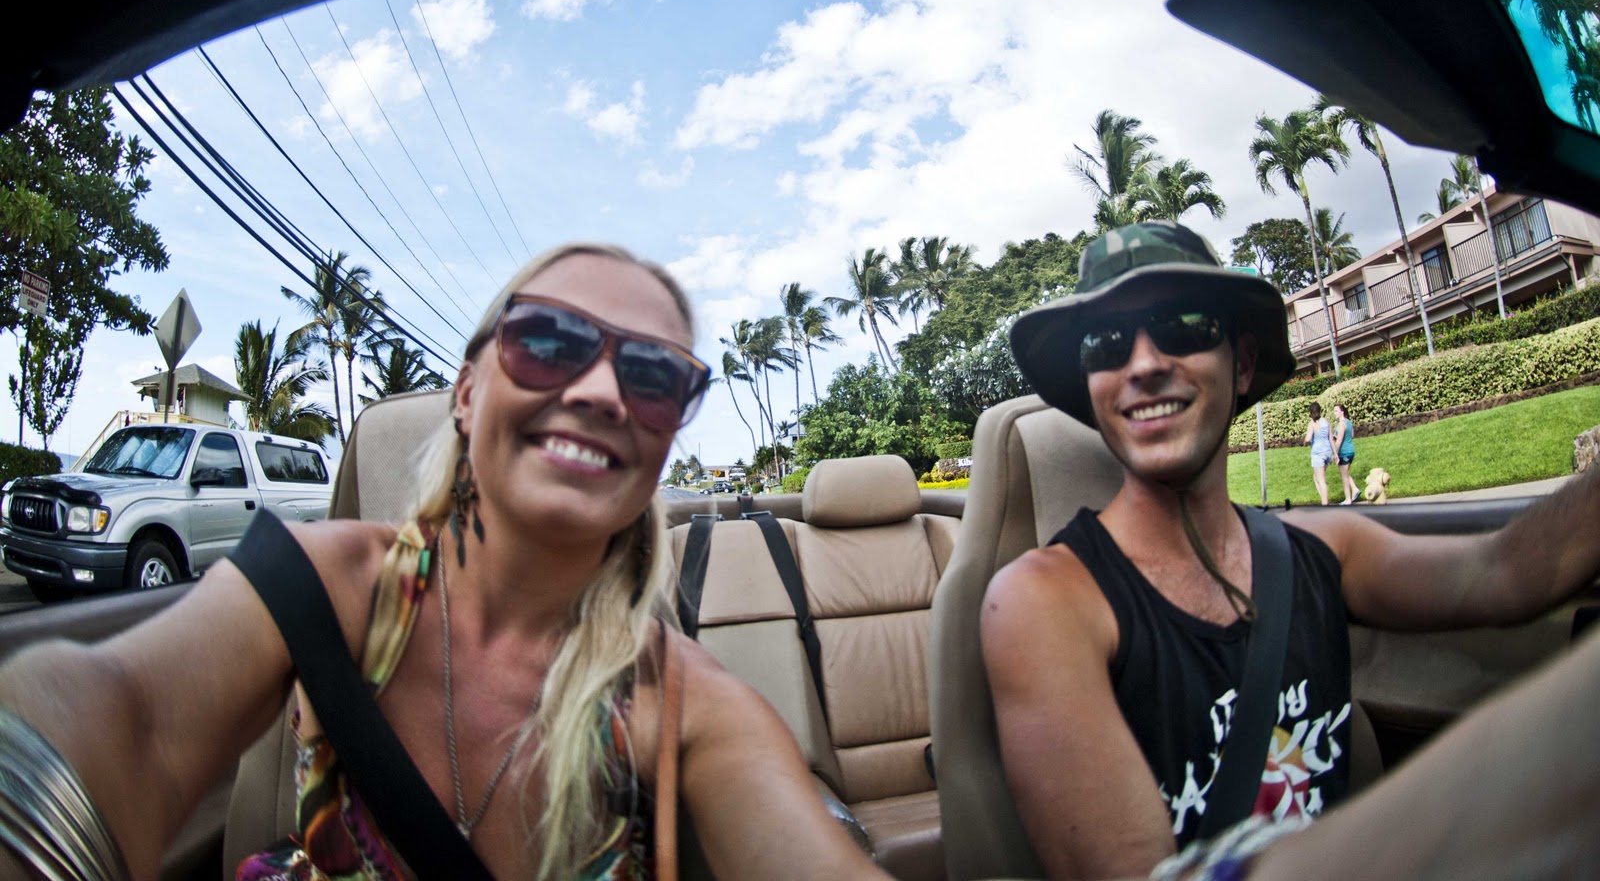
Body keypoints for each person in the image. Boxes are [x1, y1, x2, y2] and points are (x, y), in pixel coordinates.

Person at [0, 243, 885, 881]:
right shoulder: (329, 585)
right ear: (466, 394)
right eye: (548, 342)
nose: (601, 393)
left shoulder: (684, 699)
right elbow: (122, 718)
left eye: (655, 377)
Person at [985, 221, 1600, 881]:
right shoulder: (1043, 601)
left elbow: (1504, 571)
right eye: (1104, 343)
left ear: (1243, 363)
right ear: (1091, 386)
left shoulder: (1323, 546)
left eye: (1184, 325)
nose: (1143, 364)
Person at [1303, 402, 1333, 506]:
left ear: (1311, 412)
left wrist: (1305, 443)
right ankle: (1324, 499)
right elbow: (1331, 438)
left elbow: (1308, 439)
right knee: (1316, 477)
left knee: (1321, 480)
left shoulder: (1312, 424)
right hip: (1327, 452)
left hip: (1318, 453)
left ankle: (1325, 504)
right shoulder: (1326, 421)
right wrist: (1335, 453)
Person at [1331, 404, 1357, 505]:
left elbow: (1339, 441)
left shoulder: (1341, 425)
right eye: (1334, 411)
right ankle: (1355, 489)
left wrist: (1335, 454)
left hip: (1344, 452)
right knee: (1346, 474)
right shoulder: (1348, 422)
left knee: (1344, 476)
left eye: (1336, 411)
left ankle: (1348, 499)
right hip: (1351, 451)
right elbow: (1352, 435)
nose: (1334, 413)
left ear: (1342, 412)